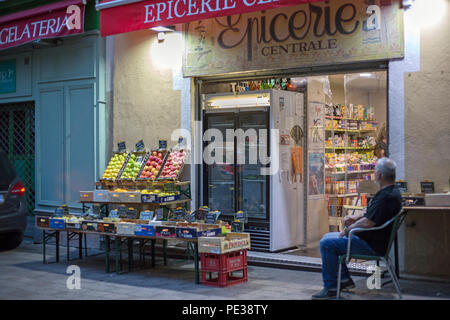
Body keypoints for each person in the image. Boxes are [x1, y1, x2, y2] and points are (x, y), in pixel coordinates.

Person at [311, 158, 402, 300]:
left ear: (379, 175)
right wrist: (354, 217)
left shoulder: (385, 196)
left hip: (371, 245)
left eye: (375, 172)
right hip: (374, 241)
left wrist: (348, 230)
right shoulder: (391, 192)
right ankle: (343, 280)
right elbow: (370, 213)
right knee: (327, 237)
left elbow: (368, 222)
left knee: (326, 244)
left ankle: (331, 287)